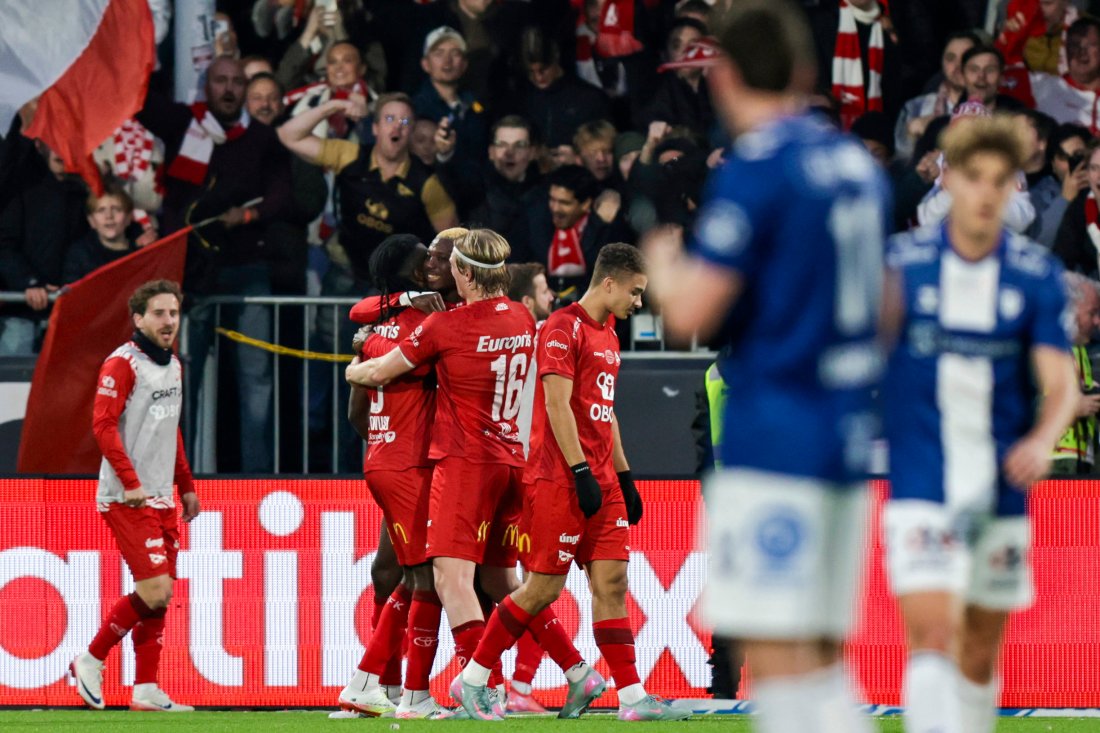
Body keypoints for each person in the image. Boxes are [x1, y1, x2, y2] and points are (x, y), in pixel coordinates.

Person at [643, 2, 890, 731]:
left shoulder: (760, 167)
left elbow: (691, 313)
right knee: (817, 648)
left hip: (776, 428)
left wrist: (661, 254)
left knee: (779, 654)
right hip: (844, 428)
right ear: (808, 73)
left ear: (722, 77)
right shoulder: (857, 168)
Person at [882, 115, 1078, 733]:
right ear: (948, 181)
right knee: (934, 633)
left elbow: (1062, 382)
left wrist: (1044, 439)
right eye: (974, 177)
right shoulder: (902, 266)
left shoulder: (1035, 274)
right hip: (919, 479)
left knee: (977, 649)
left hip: (1001, 488)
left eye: (1002, 179)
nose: (987, 192)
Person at [346, 229, 588, 719]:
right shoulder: (520, 315)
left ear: (462, 271)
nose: (435, 267)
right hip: (509, 460)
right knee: (495, 582)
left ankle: (448, 688)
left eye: (442, 259)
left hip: (455, 462)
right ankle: (578, 671)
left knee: (439, 579)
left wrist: (357, 359)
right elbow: (367, 310)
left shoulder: (442, 326)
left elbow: (371, 370)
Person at [455, 243, 684, 721]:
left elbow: (605, 412)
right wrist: (580, 472)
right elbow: (557, 406)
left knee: (613, 582)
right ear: (609, 283)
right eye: (635, 292)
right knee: (542, 590)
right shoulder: (562, 327)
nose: (638, 303)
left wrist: (625, 477)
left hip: (602, 481)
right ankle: (472, 680)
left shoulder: (610, 335)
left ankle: (631, 698)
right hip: (558, 480)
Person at [136, 56, 292, 473]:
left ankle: (256, 478)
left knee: (255, 381)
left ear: (246, 87)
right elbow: (139, 101)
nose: (227, 89)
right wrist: (138, 50)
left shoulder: (262, 137)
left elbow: (282, 192)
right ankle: (177, 475)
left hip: (248, 269)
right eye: (219, 81)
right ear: (206, 85)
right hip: (188, 275)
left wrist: (248, 216)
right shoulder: (182, 122)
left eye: (235, 82)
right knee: (180, 381)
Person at [69, 280, 200, 713]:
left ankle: (146, 688)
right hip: (128, 497)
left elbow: (171, 429)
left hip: (161, 494)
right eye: (159, 314)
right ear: (138, 318)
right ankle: (91, 658)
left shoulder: (174, 365)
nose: (169, 322)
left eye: (174, 313)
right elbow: (103, 426)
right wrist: (130, 481)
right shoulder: (121, 365)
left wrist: (187, 486)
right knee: (157, 589)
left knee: (160, 595)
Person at [339, 234, 443, 718]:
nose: (437, 267)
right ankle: (409, 692)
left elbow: (357, 411)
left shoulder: (380, 325)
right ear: (419, 273)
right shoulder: (424, 327)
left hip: (388, 456)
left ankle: (378, 684)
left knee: (402, 573)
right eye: (429, 261)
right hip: (408, 464)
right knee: (426, 578)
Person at [894, 32, 980, 161]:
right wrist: (912, 136)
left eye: (965, 57)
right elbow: (902, 164)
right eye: (951, 58)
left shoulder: (996, 107)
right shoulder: (915, 108)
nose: (958, 66)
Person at [1051, 272, 1100, 475]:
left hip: (1078, 463)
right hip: (1050, 463)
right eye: (1092, 313)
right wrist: (1071, 408)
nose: (1097, 321)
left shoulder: (1078, 349)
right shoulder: (1044, 350)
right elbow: (1018, 406)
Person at [63, 188, 149, 284]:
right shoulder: (79, 256)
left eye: (116, 209)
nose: (109, 216)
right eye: (101, 210)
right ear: (91, 221)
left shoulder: (144, 250)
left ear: (129, 217)